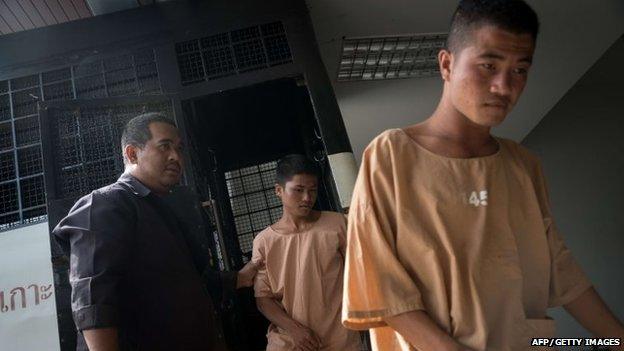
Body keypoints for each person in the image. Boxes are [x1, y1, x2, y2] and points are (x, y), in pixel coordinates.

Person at [341, 1, 624, 350]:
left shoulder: (523, 165)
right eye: (488, 65)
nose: (504, 86)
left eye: (520, 70)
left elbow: (561, 270)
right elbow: (382, 286)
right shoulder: (391, 156)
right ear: (447, 64)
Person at [53, 112, 260, 351]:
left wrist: (240, 278)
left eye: (179, 149)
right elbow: (93, 296)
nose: (176, 157)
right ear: (132, 154)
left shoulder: (163, 211)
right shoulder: (106, 204)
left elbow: (189, 282)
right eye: (164, 146)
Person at [252, 154, 361, 351]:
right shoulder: (264, 242)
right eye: (298, 190)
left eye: (312, 190)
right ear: (279, 190)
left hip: (341, 337)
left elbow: (359, 274)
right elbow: (263, 299)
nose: (307, 198)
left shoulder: (338, 224)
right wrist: (295, 330)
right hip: (290, 341)